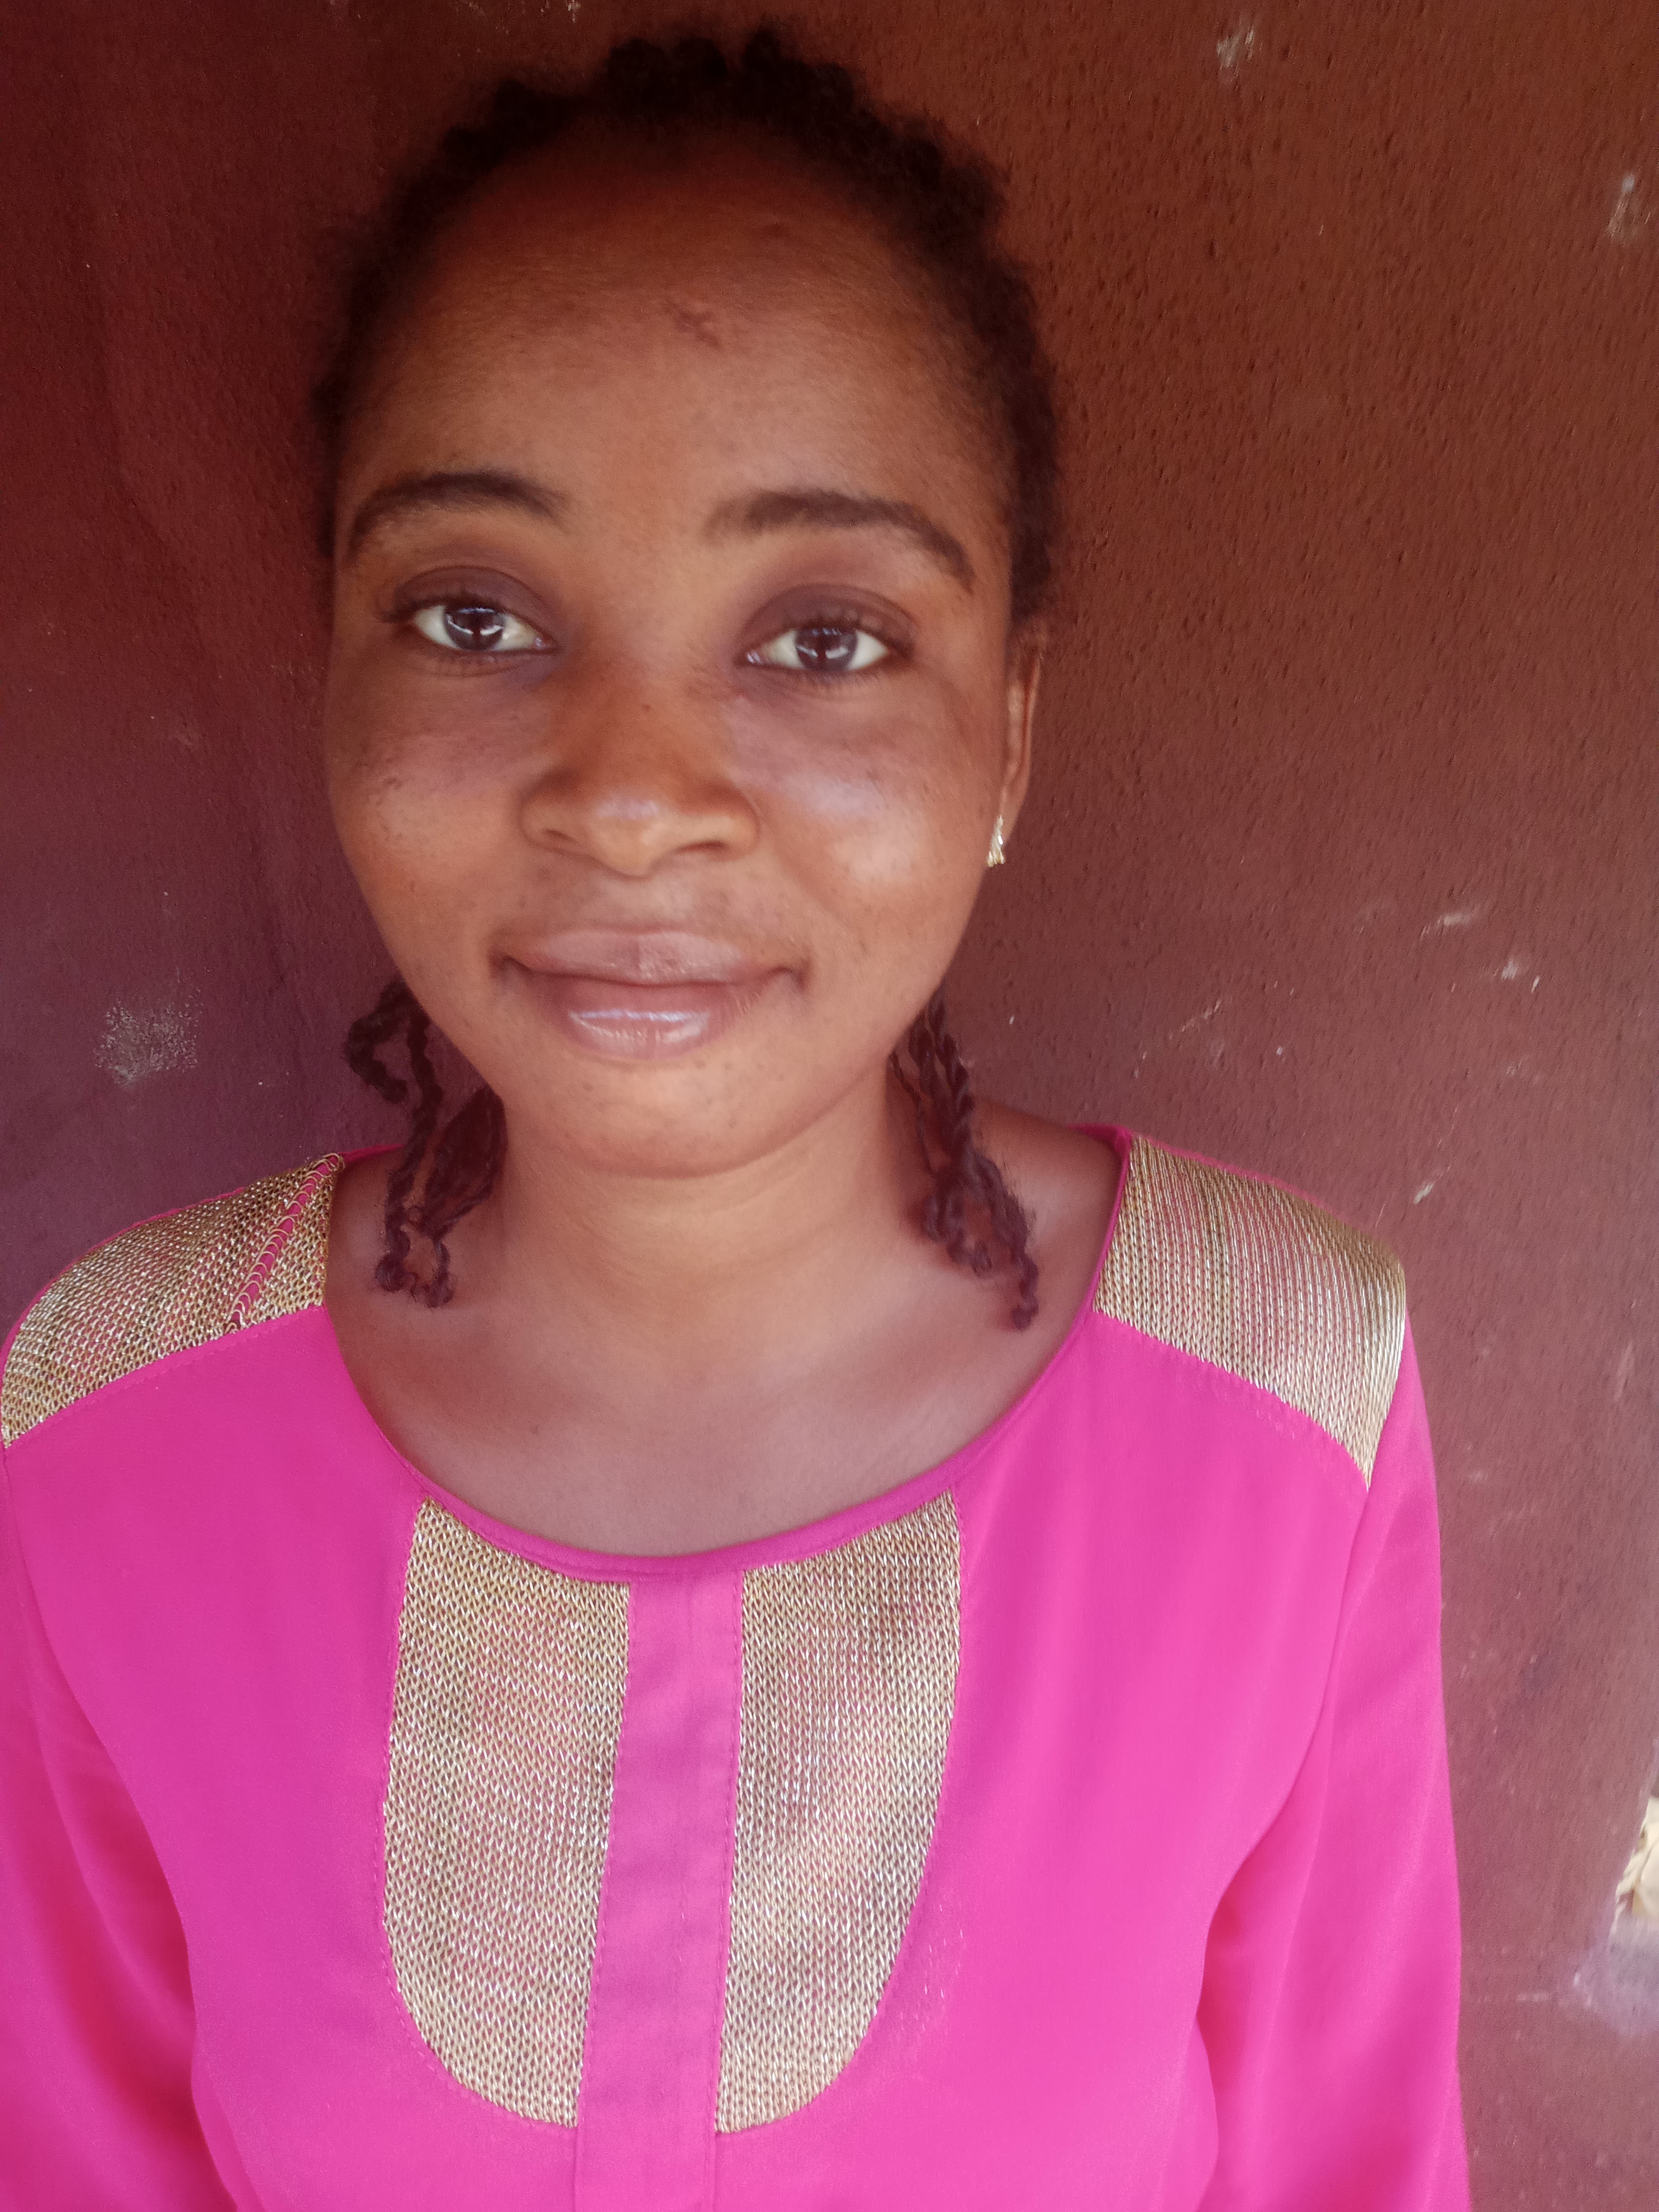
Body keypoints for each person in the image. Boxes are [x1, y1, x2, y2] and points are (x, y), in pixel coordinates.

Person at [0, 30, 1468, 2210]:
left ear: (1009, 733)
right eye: (475, 614)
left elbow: (1353, 2160)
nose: (632, 796)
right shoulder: (107, 1427)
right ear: (332, 674)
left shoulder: (1279, 1404)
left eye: (824, 639)